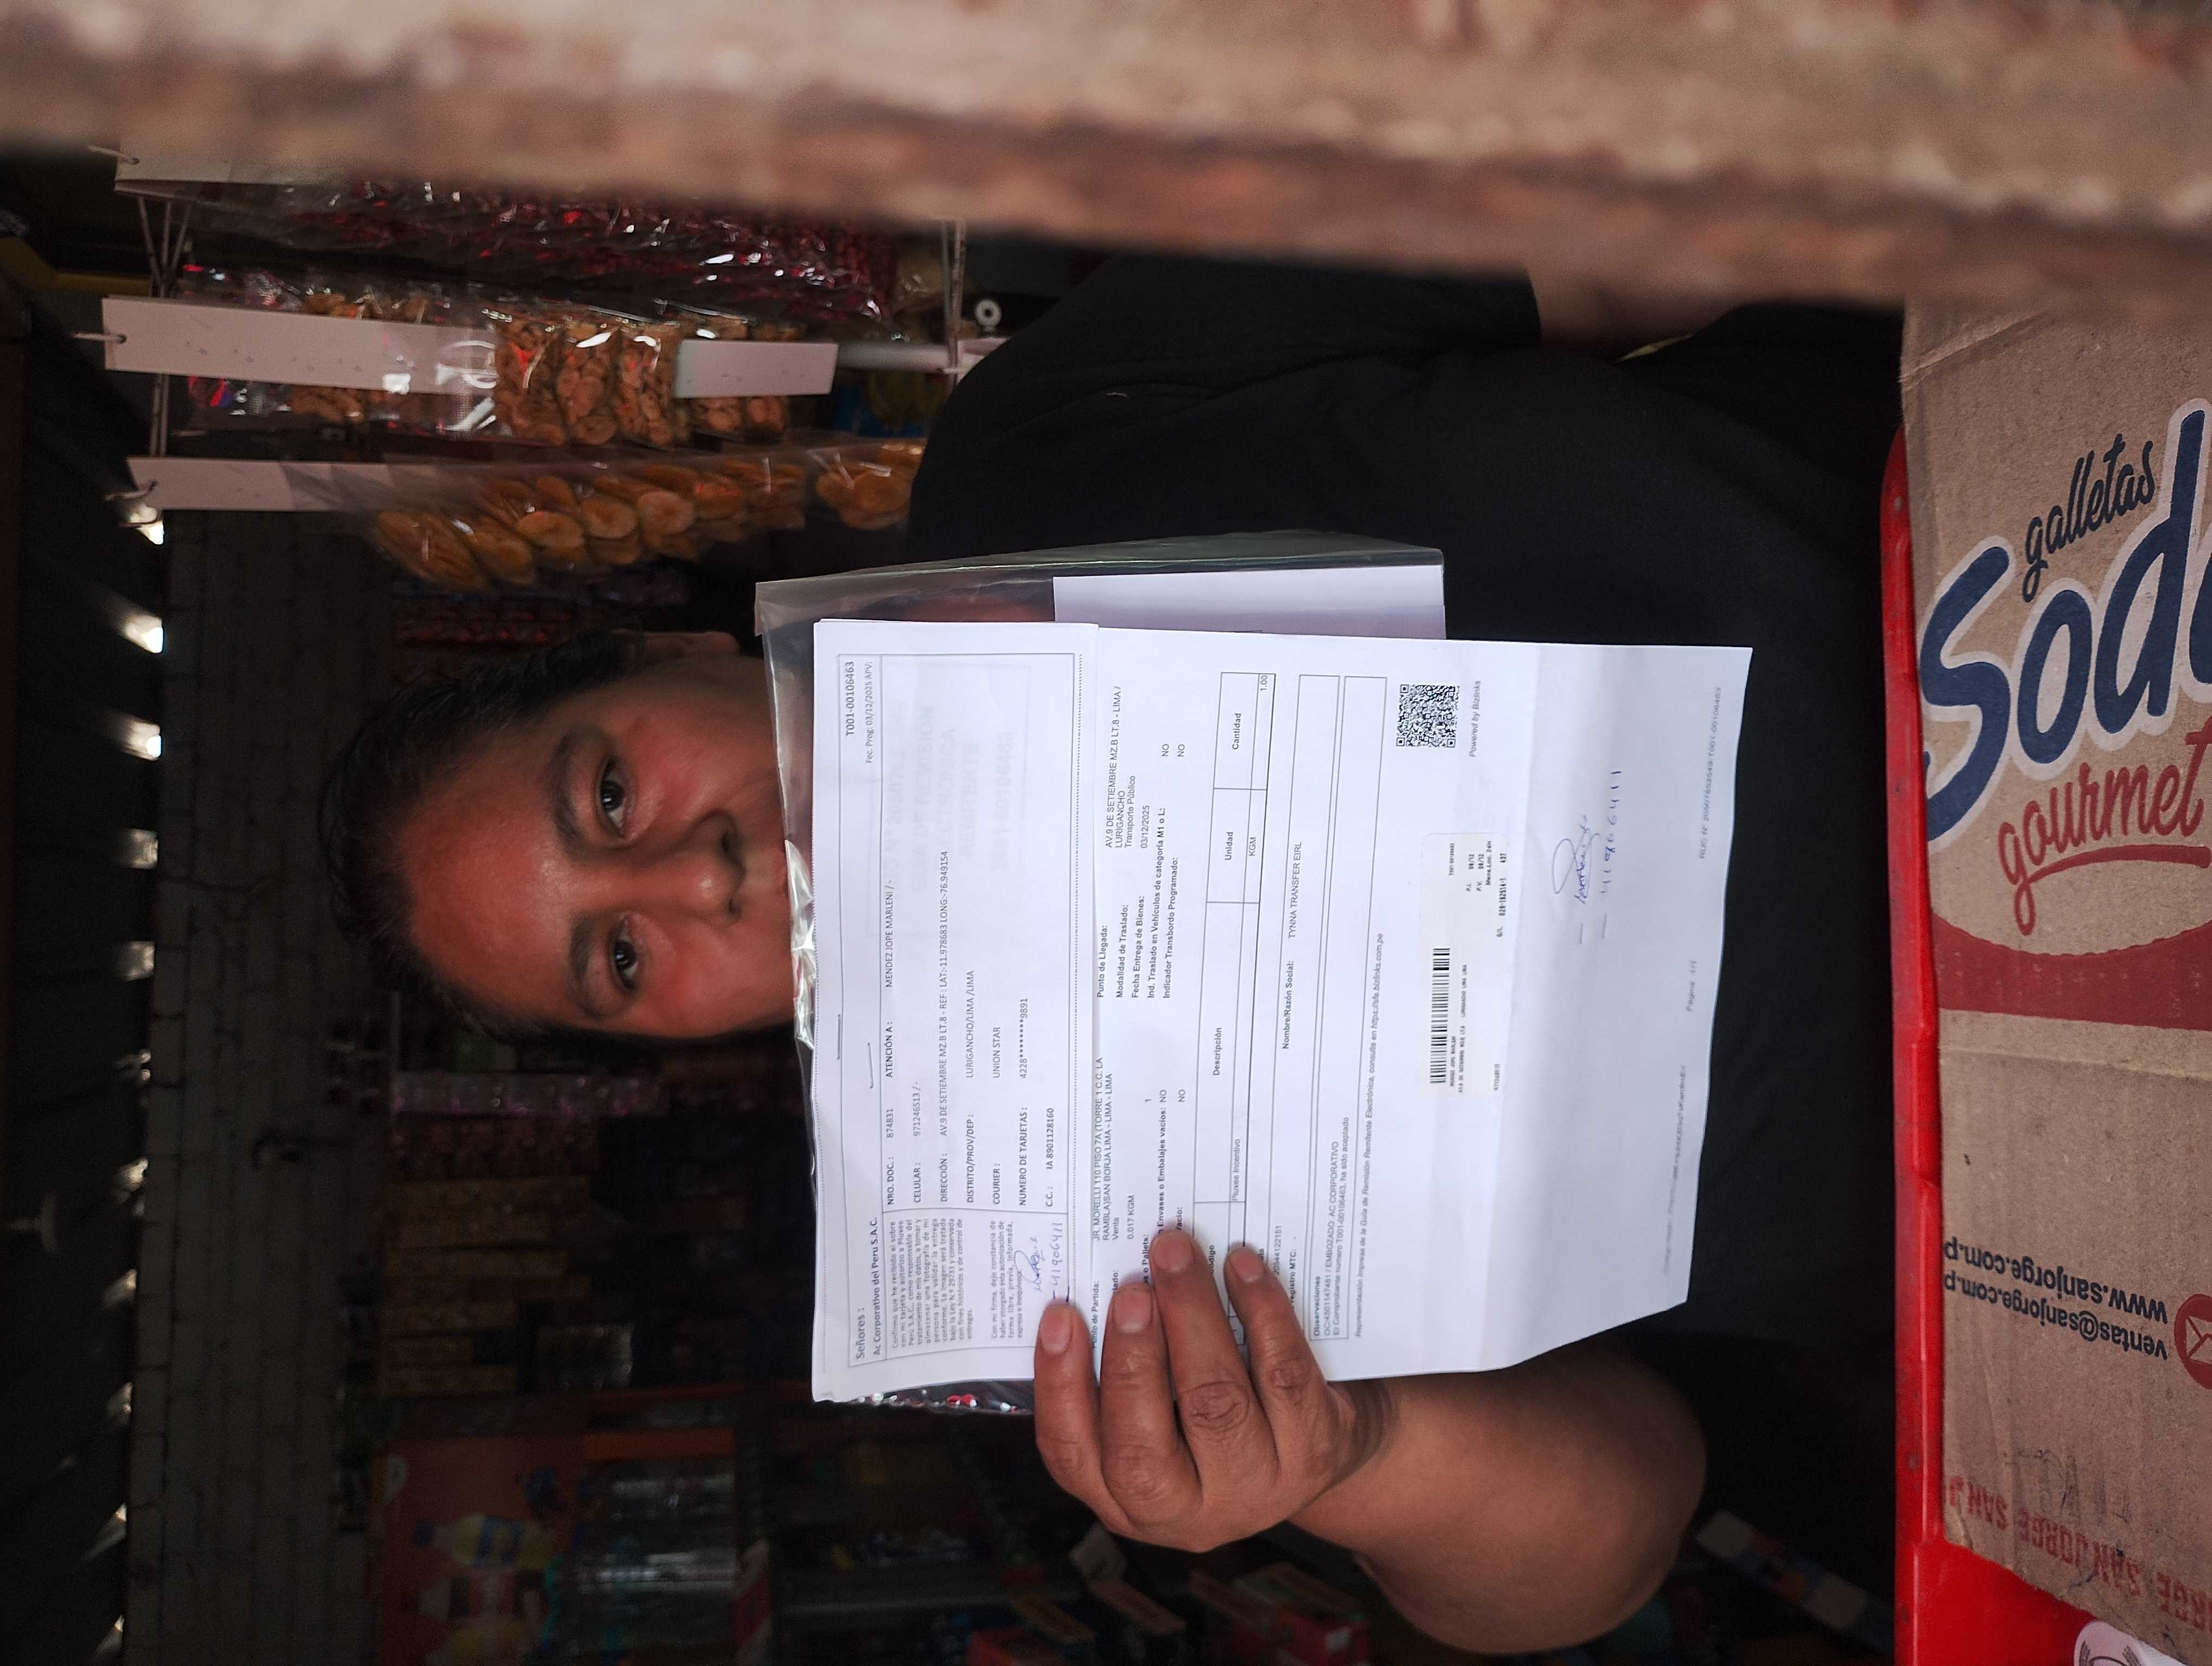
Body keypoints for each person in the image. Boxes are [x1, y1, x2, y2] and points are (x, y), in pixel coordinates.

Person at [325, 254, 1899, 1654]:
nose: (697, 877)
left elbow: (1607, 250)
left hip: (2003, 532)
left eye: (611, 793)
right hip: (2008, 1136)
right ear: (681, 1043)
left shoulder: (1052, 443)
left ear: (670, 648)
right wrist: (1353, 1448)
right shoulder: (1046, 1255)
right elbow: (1622, 1529)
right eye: (619, 960)